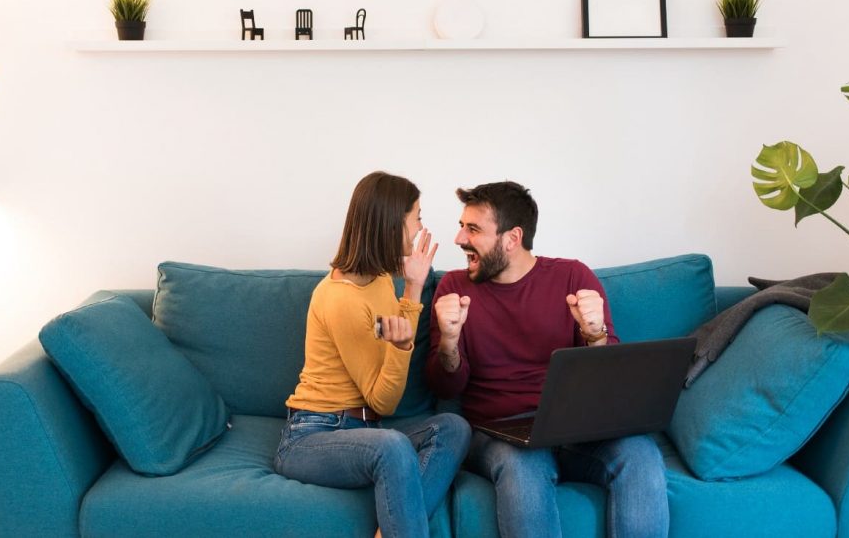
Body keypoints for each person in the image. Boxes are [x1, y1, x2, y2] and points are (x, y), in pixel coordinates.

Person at [425, 181, 669, 538]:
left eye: (473, 229)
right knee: (523, 464)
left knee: (641, 454)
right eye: (462, 226)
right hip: (499, 433)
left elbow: (608, 383)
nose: (459, 238)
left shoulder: (573, 277)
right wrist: (449, 341)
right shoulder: (454, 288)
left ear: (512, 238)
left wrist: (596, 335)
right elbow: (445, 386)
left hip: (574, 430)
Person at [275, 171, 471, 538]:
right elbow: (383, 400)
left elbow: (394, 335)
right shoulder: (340, 299)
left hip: (364, 429)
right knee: (392, 447)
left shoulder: (379, 279)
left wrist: (412, 286)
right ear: (392, 224)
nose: (420, 228)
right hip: (311, 436)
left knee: (454, 428)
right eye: (417, 218)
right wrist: (402, 345)